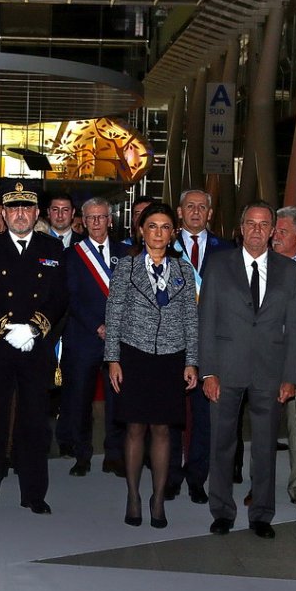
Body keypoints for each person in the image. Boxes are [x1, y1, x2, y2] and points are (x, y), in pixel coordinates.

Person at [200, 201, 296, 538]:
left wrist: (291, 376)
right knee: (222, 443)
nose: (257, 230)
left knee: (264, 446)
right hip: (226, 369)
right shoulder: (217, 265)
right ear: (241, 228)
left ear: (273, 230)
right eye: (251, 224)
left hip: (269, 372)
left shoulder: (288, 270)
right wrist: (208, 371)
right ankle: (222, 512)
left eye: (264, 224)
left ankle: (261, 513)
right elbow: (206, 321)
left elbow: (295, 327)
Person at [0, 183, 68, 515]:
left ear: (37, 213)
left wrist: (35, 327)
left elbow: (59, 298)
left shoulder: (52, 248)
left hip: (35, 346)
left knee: (35, 421)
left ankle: (34, 494)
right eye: (14, 210)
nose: (20, 215)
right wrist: (5, 329)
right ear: (5, 214)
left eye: (27, 209)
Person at [105, 202, 198, 528]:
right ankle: (133, 495)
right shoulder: (126, 269)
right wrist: (113, 359)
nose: (158, 232)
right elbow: (113, 316)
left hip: (170, 359)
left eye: (164, 227)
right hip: (135, 356)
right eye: (152, 226)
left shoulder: (184, 271)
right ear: (141, 231)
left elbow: (191, 320)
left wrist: (192, 362)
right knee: (135, 428)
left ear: (173, 233)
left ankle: (158, 499)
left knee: (162, 430)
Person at [168, 188, 233, 504]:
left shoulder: (228, 250)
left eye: (202, 207)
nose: (195, 211)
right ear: (179, 212)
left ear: (210, 214)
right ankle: (168, 476)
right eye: (189, 206)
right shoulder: (163, 246)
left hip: (211, 346)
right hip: (170, 344)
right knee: (169, 413)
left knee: (206, 416)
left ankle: (196, 478)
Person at [58, 198, 126, 477]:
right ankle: (82, 454)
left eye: (101, 217)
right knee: (80, 399)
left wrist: (116, 326)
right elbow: (69, 297)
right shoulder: (72, 255)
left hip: (119, 338)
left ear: (110, 220)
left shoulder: (127, 253)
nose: (97, 222)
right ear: (82, 222)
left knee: (117, 399)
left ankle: (114, 454)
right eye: (91, 218)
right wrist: (97, 325)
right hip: (84, 337)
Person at [270, 205, 296, 507]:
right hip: (263, 357)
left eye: (282, 232)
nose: (274, 236)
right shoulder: (260, 262)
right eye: (275, 230)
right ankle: (259, 487)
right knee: (263, 428)